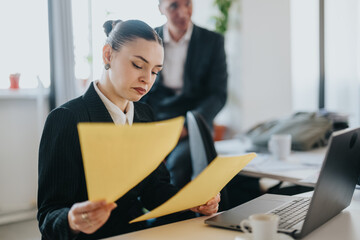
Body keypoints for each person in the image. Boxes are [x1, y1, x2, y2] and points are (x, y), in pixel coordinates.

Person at [37, 19, 220, 240]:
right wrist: (72, 220)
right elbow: (48, 216)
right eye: (137, 65)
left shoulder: (144, 115)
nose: (147, 79)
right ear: (108, 55)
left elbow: (154, 189)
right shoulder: (66, 119)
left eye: (155, 71)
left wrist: (194, 202)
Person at [141, 0, 228, 189]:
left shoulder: (212, 41)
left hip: (194, 122)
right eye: (173, 6)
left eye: (187, 3)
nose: (183, 12)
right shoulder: (148, 41)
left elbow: (218, 94)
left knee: (178, 165)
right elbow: (142, 91)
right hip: (157, 122)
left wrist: (187, 127)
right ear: (160, 9)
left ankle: (172, 217)